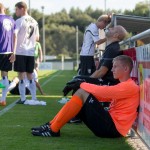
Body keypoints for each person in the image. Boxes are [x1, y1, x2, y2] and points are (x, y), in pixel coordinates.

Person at [31, 55, 140, 138]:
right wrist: (81, 86)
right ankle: (51, 125)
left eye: (115, 67)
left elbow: (104, 92)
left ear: (125, 69)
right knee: (80, 94)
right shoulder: (124, 85)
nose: (112, 70)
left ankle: (53, 129)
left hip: (113, 129)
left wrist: (81, 83)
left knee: (82, 92)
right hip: (110, 125)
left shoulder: (130, 86)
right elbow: (103, 96)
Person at [69, 25, 128, 123]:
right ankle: (78, 114)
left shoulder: (113, 49)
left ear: (116, 35)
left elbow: (101, 72)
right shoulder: (110, 47)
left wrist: (86, 81)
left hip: (108, 83)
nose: (109, 28)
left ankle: (77, 116)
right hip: (106, 81)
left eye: (113, 28)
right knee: (78, 80)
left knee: (79, 82)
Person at [14, 1, 40, 104]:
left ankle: (23, 98)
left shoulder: (19, 21)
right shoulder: (35, 21)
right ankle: (34, 98)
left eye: (16, 9)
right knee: (30, 75)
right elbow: (37, 38)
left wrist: (13, 50)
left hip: (21, 51)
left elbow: (15, 35)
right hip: (30, 52)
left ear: (22, 9)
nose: (15, 11)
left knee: (21, 75)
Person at [0, 3, 17, 106]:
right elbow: (16, 36)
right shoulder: (11, 19)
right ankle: (3, 99)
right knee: (4, 75)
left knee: (4, 77)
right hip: (9, 51)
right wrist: (14, 52)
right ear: (4, 9)